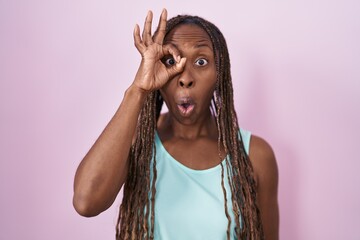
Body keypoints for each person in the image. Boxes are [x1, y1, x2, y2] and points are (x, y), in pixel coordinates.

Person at [73, 9, 279, 240]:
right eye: (171, 61)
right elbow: (85, 202)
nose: (185, 77)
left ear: (219, 74)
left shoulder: (255, 155)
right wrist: (138, 90)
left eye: (201, 61)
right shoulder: (136, 142)